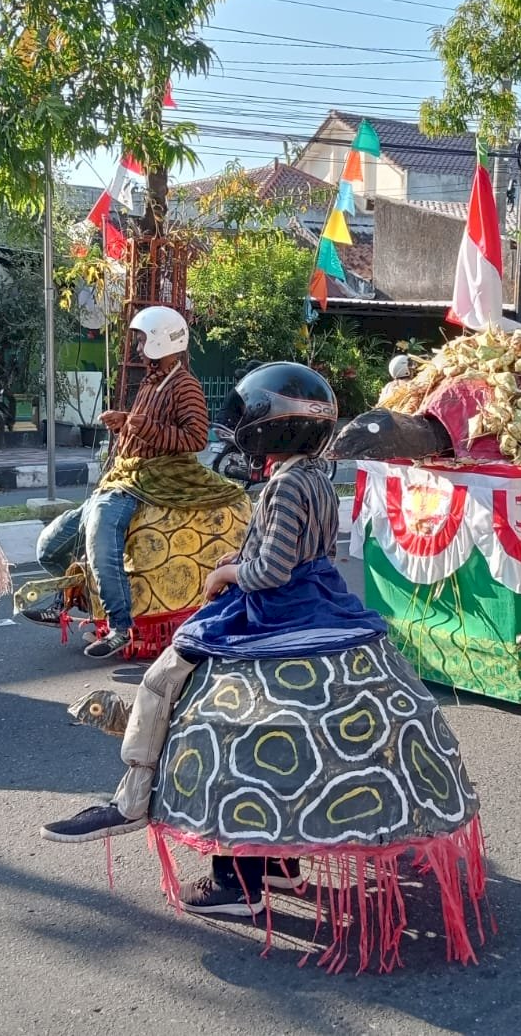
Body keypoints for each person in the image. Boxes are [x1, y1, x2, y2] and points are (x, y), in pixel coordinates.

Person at [41, 363, 369, 914]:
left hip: (273, 610)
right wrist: (238, 556)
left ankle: (134, 798)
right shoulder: (317, 477)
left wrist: (225, 575)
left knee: (166, 675)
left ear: (271, 428)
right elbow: (309, 552)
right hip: (320, 603)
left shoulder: (284, 486)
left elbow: (270, 572)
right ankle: (282, 865)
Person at [25, 306, 228, 660]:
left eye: (142, 338)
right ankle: (71, 599)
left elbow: (196, 438)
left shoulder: (186, 385)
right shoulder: (152, 381)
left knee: (100, 534)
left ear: (163, 339)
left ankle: (121, 626)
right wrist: (124, 421)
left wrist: (141, 426)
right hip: (126, 474)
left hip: (153, 479)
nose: (137, 345)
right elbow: (143, 424)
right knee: (50, 546)